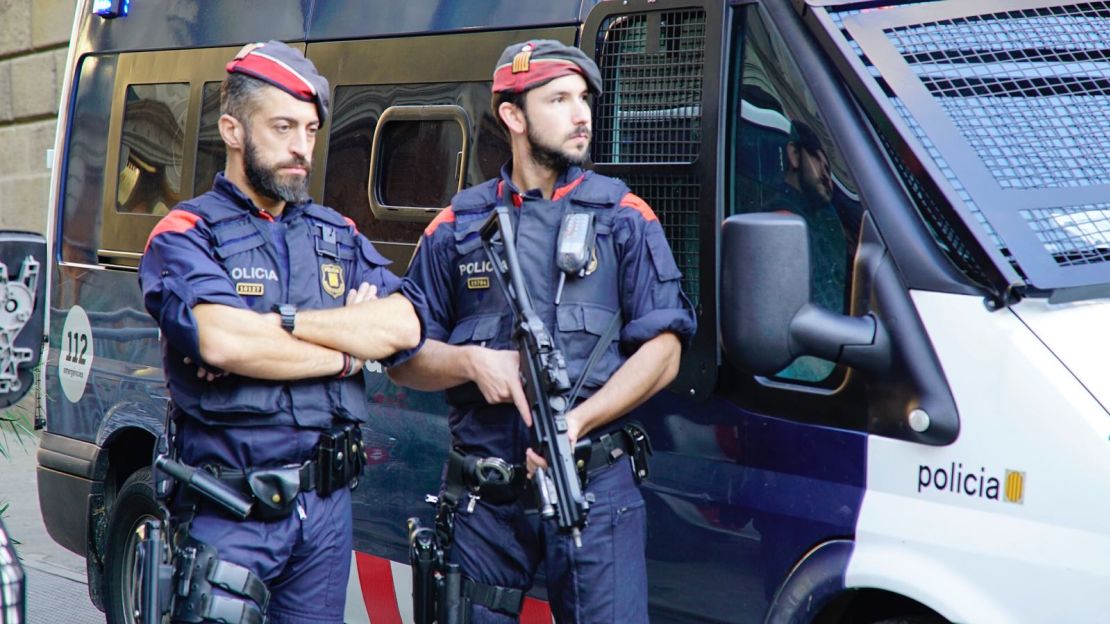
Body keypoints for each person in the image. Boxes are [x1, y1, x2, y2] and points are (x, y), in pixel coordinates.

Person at [389, 40, 696, 623]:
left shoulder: (626, 217)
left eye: (584, 99)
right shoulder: (458, 226)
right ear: (513, 116)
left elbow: (666, 351)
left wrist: (577, 422)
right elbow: (402, 356)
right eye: (559, 99)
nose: (582, 114)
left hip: (593, 489)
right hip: (485, 502)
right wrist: (472, 364)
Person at [138, 41, 425, 624]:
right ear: (233, 130)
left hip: (325, 511)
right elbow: (223, 341)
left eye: (312, 129)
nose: (302, 148)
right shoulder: (186, 232)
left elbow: (403, 324)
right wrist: (347, 354)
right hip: (229, 508)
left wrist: (287, 328)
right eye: (283, 126)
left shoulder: (336, 234)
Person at [772, 120, 851, 381]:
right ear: (794, 154)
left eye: (831, 168)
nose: (827, 176)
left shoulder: (827, 218)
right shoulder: (781, 219)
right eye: (819, 161)